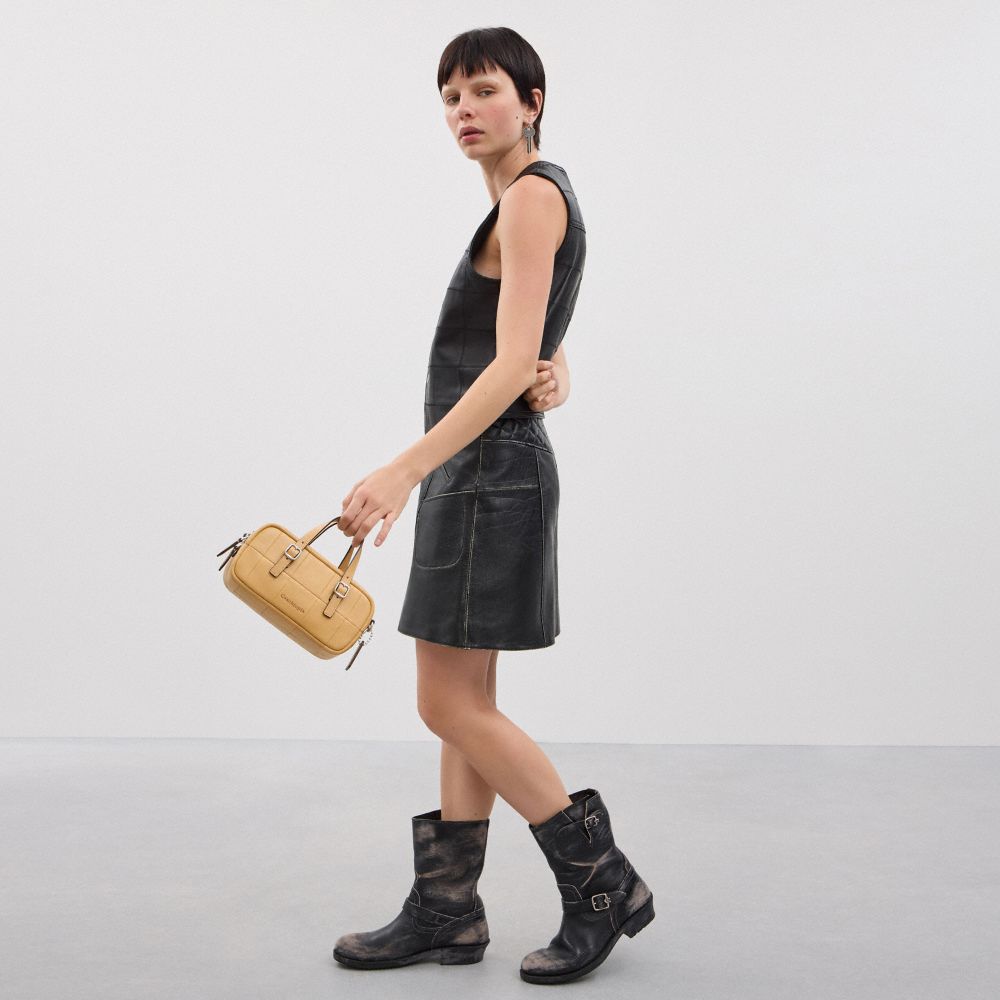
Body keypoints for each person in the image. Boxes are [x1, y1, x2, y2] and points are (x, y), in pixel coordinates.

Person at [331, 27, 654, 984]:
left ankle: (603, 882)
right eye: (450, 97)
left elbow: (513, 362)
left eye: (483, 91)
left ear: (532, 101)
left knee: (444, 700)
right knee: (466, 704)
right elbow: (535, 351)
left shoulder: (529, 197)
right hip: (485, 470)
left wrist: (401, 470)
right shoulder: (528, 199)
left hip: (485, 476)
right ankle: (447, 910)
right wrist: (557, 375)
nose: (464, 110)